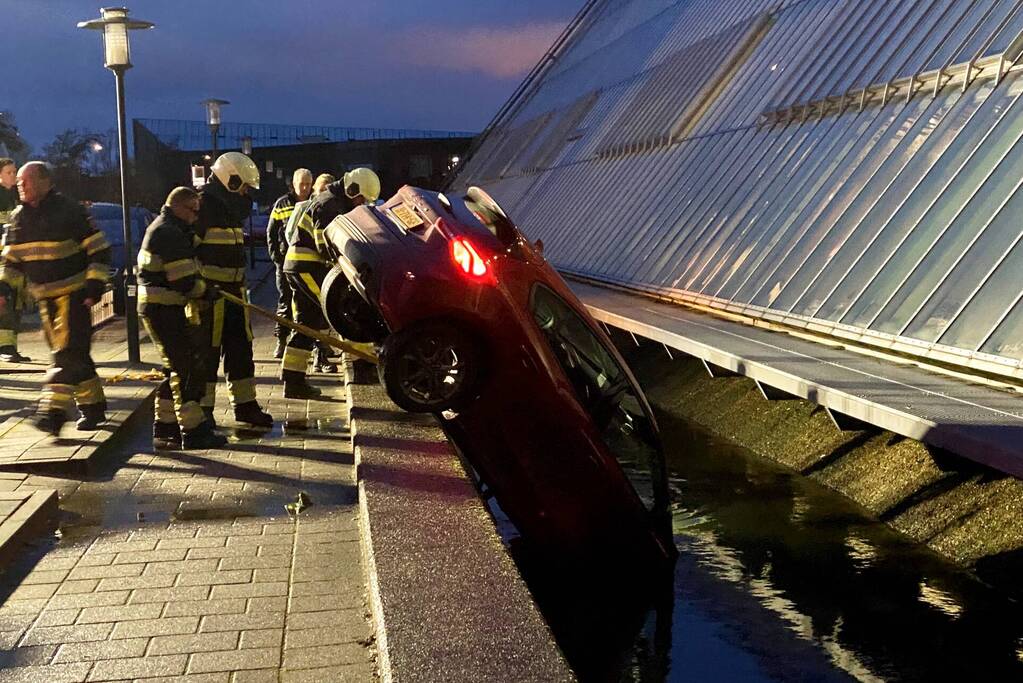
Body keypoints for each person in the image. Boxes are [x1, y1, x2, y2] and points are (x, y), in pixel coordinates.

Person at [0, 162, 109, 435]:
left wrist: (94, 286)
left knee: (65, 356)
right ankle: (93, 408)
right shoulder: (18, 219)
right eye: (19, 181)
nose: (20, 186)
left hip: (74, 296)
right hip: (45, 301)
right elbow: (11, 262)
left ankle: (52, 413)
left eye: (26, 181)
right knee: (76, 355)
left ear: (45, 182)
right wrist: (2, 290)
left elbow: (99, 250)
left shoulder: (71, 212)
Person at [138, 187, 226, 450]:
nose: (195, 217)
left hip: (161, 308)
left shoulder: (167, 228)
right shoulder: (169, 233)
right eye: (193, 210)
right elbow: (183, 279)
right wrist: (207, 292)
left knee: (174, 367)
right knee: (186, 369)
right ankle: (194, 431)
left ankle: (166, 427)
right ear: (178, 206)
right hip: (163, 309)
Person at [280, 168, 379, 398]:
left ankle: (293, 381)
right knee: (344, 309)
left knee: (306, 324)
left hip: (301, 266)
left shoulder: (333, 201)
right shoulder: (329, 205)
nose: (362, 204)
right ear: (352, 190)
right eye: (361, 198)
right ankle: (363, 367)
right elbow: (327, 246)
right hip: (308, 266)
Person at [195, 152, 273, 428]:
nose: (246, 193)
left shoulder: (228, 211)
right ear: (231, 180)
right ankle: (203, 411)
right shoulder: (202, 207)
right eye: (244, 187)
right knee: (206, 354)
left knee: (240, 350)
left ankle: (245, 405)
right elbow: (187, 252)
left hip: (235, 295)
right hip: (209, 298)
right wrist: (200, 288)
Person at [284, 172, 336, 374]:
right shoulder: (308, 207)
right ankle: (319, 357)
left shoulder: (330, 207)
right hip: (306, 267)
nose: (324, 193)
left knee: (309, 319)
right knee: (319, 312)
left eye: (327, 190)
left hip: (315, 268)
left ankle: (295, 374)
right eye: (321, 189)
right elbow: (290, 234)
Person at [266, 168, 312, 359]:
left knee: (306, 303)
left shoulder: (314, 202)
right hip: (286, 262)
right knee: (285, 300)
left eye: (308, 184)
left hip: (308, 263)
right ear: (293, 184)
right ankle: (281, 340)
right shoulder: (282, 204)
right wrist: (276, 258)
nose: (305, 188)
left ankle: (307, 343)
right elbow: (271, 232)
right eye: (301, 184)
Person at [0, 158, 28, 362]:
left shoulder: (18, 196)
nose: (13, 175)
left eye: (14, 172)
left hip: (17, 259)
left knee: (17, 303)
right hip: (2, 260)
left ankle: (12, 348)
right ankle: (5, 348)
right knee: (5, 301)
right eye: (9, 172)